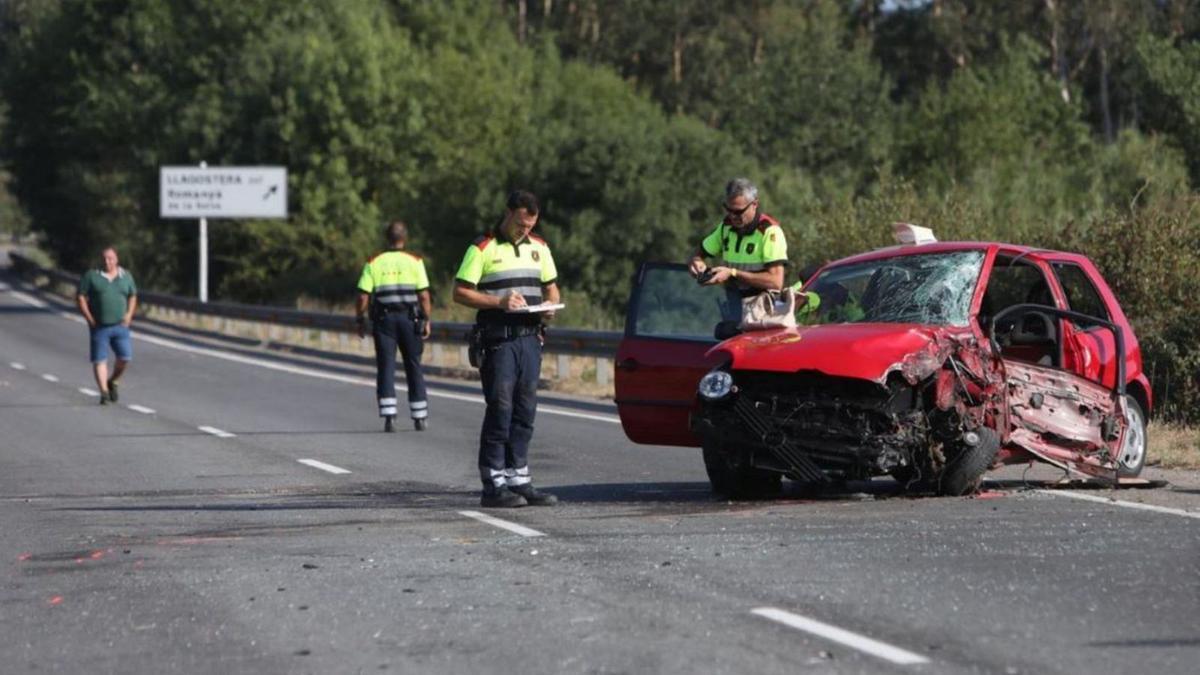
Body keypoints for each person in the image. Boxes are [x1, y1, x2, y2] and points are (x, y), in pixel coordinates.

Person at [453, 190, 560, 508]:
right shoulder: (483, 247)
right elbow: (460, 292)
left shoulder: (539, 247)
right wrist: (498, 302)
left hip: (530, 338)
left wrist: (550, 304)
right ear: (508, 213)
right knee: (501, 408)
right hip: (498, 339)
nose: (524, 231)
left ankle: (519, 479)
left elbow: (550, 285)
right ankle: (493, 483)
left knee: (525, 410)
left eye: (530, 226)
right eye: (520, 224)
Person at [356, 221, 433, 432]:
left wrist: (360, 319)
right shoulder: (415, 261)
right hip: (410, 319)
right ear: (404, 238)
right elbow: (424, 295)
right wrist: (426, 319)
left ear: (387, 238)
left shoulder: (374, 262)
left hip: (384, 321)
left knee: (386, 366)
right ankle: (419, 416)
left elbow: (363, 296)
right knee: (413, 365)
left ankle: (389, 415)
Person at [687, 178, 788, 315]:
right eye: (728, 210)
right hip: (733, 309)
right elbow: (698, 253)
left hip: (762, 314)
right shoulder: (726, 227)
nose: (733, 216)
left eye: (738, 212)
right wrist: (697, 262)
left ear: (754, 204)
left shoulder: (769, 232)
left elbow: (775, 282)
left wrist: (733, 273)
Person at [76, 246, 137, 405]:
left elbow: (133, 296)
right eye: (104, 258)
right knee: (100, 360)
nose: (107, 261)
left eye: (110, 258)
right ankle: (103, 392)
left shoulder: (126, 276)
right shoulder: (92, 276)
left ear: (116, 259)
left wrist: (129, 314)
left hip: (120, 326)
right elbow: (81, 297)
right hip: (100, 326)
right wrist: (89, 318)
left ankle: (113, 381)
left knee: (124, 357)